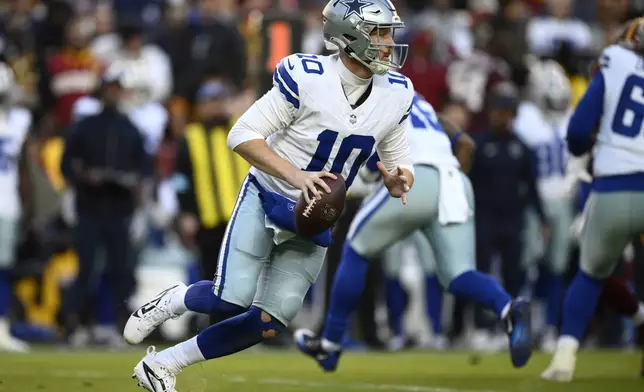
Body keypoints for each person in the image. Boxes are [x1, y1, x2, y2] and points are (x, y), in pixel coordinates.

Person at [125, 1, 415, 390]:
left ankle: (163, 366)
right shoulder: (309, 76)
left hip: (317, 214)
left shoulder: (396, 92)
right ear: (349, 37)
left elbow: (396, 154)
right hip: (268, 195)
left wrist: (400, 177)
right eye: (379, 33)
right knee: (231, 299)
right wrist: (297, 176)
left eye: (389, 32)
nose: (388, 42)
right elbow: (242, 134)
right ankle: (172, 300)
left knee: (270, 321)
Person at [294, 92, 533, 372]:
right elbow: (464, 143)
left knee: (356, 248)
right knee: (458, 275)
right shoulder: (414, 95)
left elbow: (372, 161)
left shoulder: (366, 93)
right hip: (453, 181)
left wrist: (360, 181)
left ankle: (330, 346)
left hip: (413, 175)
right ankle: (508, 308)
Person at [541, 17, 644, 382]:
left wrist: (584, 151)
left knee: (589, 273)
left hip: (615, 184)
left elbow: (580, 130)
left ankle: (564, 359)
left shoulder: (615, 62)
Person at [514, 59, 575, 352]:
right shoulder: (525, 117)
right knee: (527, 266)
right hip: (533, 203)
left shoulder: (569, 118)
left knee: (557, 267)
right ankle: (525, 327)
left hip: (564, 200)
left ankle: (550, 327)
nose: (558, 104)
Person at [0, 63, 32, 352]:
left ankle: (0, 327)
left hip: (7, 203)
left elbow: (23, 169)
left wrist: (27, 206)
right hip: (7, 203)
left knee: (3, 269)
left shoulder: (19, 120)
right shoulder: (17, 120)